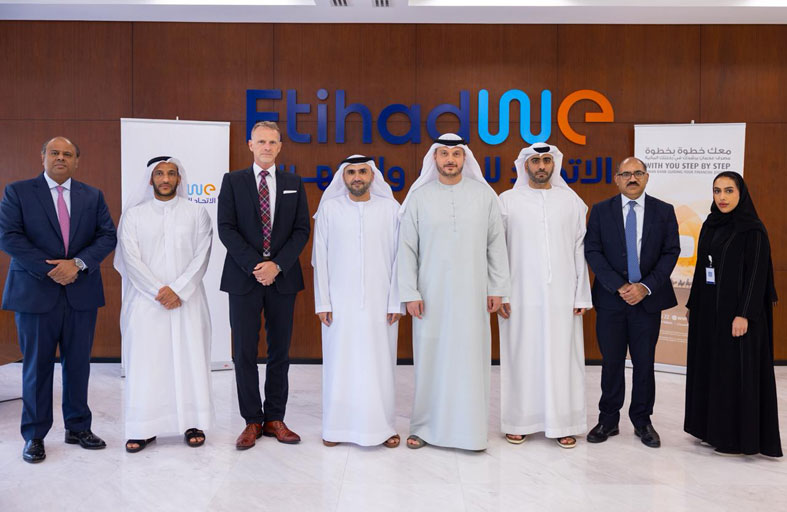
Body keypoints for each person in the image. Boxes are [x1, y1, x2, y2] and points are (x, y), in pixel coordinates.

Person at [0, 136, 117, 463]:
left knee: (78, 364)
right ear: (43, 157)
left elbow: (107, 235)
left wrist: (76, 264)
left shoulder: (92, 195)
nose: (61, 158)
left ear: (77, 161)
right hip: (35, 293)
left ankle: (78, 428)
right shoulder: (18, 192)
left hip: (81, 293)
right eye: (55, 152)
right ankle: (34, 435)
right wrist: (51, 269)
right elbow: (8, 236)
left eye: (68, 154)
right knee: (37, 368)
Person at [397, 133, 510, 451]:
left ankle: (470, 431)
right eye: (444, 154)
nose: (450, 159)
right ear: (434, 158)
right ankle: (424, 428)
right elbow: (406, 249)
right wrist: (410, 292)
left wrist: (498, 288)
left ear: (465, 159)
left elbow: (496, 245)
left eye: (456, 154)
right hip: (430, 296)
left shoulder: (484, 196)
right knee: (431, 360)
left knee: (471, 360)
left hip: (473, 294)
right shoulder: (419, 198)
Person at [218, 121, 310, 449]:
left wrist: (277, 265)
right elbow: (226, 228)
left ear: (280, 146)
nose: (267, 147)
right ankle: (251, 421)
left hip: (283, 278)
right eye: (261, 142)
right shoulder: (233, 181)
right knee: (244, 351)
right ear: (250, 145)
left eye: (272, 142)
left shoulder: (293, 183)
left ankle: (274, 418)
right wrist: (256, 266)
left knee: (279, 351)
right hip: (244, 277)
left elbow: (301, 230)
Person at [115, 156, 214, 453]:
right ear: (151, 179)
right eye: (160, 174)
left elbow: (202, 255)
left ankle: (192, 423)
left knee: (190, 359)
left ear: (179, 179)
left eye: (171, 173)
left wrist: (178, 290)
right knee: (147, 363)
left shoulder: (197, 213)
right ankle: (143, 427)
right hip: (146, 303)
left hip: (188, 301)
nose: (166, 179)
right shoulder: (134, 216)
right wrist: (159, 291)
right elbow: (130, 259)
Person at [498, 143, 592, 449]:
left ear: (554, 164)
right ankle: (519, 422)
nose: (541, 166)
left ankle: (564, 423)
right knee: (521, 356)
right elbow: (496, 251)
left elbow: (580, 250)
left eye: (547, 160)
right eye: (536, 160)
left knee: (563, 359)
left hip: (562, 296)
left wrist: (581, 295)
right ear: (525, 165)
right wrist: (499, 292)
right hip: (519, 296)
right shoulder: (506, 201)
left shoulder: (572, 202)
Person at [684, 171, 782, 457]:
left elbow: (757, 275)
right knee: (711, 369)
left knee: (732, 373)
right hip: (709, 313)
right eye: (717, 191)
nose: (722, 197)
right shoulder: (710, 224)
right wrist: (692, 304)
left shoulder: (752, 229)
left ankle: (735, 438)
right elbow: (702, 268)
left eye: (729, 191)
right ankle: (710, 430)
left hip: (737, 317)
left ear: (741, 193)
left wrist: (744, 315)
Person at [584, 156, 680, 448]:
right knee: (611, 362)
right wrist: (620, 286)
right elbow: (593, 251)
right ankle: (608, 420)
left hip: (647, 302)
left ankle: (642, 421)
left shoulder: (664, 211)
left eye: (638, 173)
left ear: (647, 177)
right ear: (617, 179)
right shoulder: (601, 211)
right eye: (626, 174)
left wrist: (645, 287)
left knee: (644, 363)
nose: (632, 178)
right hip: (611, 300)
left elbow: (671, 252)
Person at [312, 155, 402, 448]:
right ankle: (335, 429)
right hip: (339, 304)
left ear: (372, 175)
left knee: (380, 366)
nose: (357, 177)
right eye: (351, 172)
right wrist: (323, 302)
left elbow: (400, 258)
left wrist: (395, 302)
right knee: (340, 365)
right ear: (344, 177)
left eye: (363, 171)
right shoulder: (330, 209)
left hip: (381, 303)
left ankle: (383, 428)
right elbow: (319, 258)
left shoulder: (391, 209)